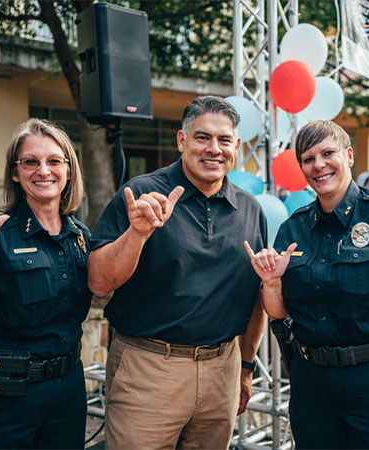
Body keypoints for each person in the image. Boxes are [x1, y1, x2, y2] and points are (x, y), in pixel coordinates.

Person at [245, 119, 369, 448]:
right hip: (313, 386)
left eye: (328, 153)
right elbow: (281, 315)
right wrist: (270, 284)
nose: (319, 165)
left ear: (349, 156)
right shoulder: (292, 230)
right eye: (308, 159)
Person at [88, 95, 267, 449]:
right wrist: (137, 233)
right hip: (148, 368)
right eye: (202, 137)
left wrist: (246, 367)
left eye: (224, 140)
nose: (213, 149)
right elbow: (98, 281)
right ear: (182, 141)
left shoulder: (251, 210)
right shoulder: (140, 195)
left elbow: (255, 298)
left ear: (236, 147)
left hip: (222, 371)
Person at [0, 119, 91, 448]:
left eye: (53, 161)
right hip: (10, 394)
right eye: (31, 162)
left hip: (69, 389)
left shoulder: (81, 238)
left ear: (68, 170)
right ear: (15, 173)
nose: (43, 171)